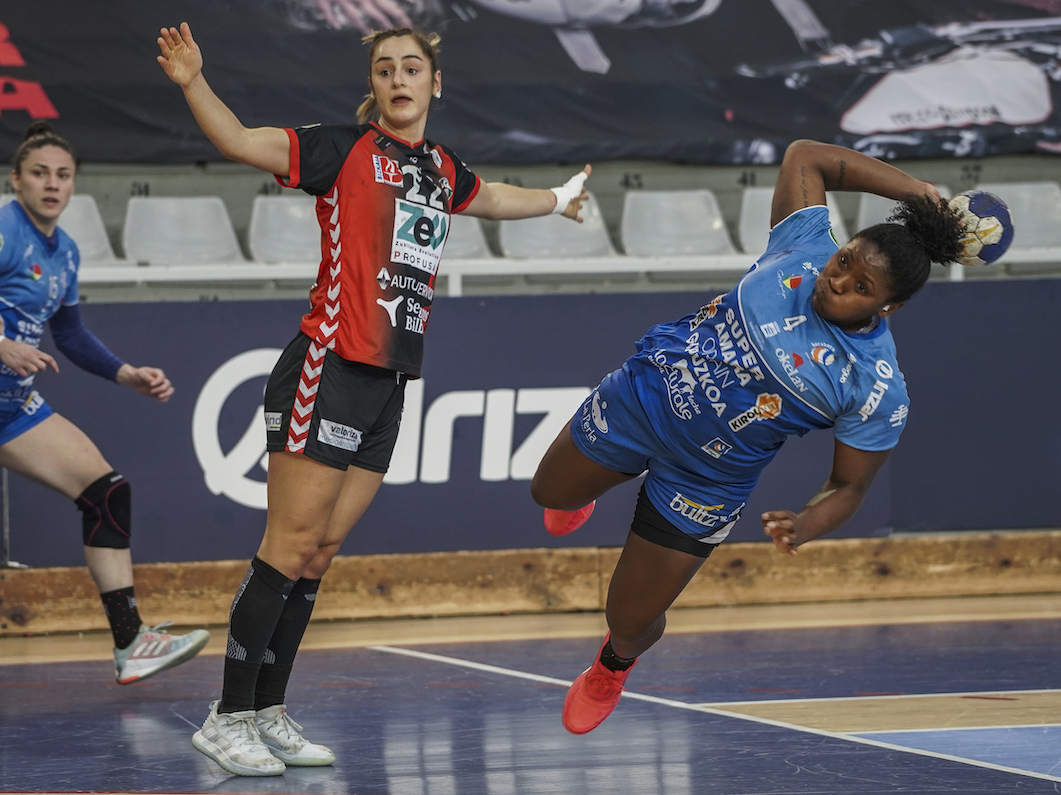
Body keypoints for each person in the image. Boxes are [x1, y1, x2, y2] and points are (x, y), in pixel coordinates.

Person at [157, 21, 591, 776]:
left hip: (388, 382)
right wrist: (194, 80)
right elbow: (240, 141)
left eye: (411, 68)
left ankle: (268, 711)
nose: (398, 79)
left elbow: (494, 197)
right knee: (287, 547)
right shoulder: (342, 149)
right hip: (326, 367)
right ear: (374, 85)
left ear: (434, 84)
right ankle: (226, 716)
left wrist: (559, 198)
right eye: (385, 68)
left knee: (319, 554)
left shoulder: (441, 168)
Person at [530, 138, 966, 735]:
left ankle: (612, 665)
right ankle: (581, 493)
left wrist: (807, 524)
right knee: (548, 493)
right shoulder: (803, 245)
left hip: (704, 482)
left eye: (861, 287)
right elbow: (805, 156)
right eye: (845, 261)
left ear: (886, 309)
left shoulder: (874, 385)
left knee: (629, 619)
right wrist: (919, 192)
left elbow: (848, 487)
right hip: (641, 399)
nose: (838, 281)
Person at [0, 122, 210, 686]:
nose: (52, 184)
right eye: (40, 174)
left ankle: (132, 642)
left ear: (73, 185)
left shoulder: (65, 251)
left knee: (106, 493)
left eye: (63, 175)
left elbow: (69, 334)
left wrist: (125, 373)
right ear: (17, 180)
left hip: (11, 404)